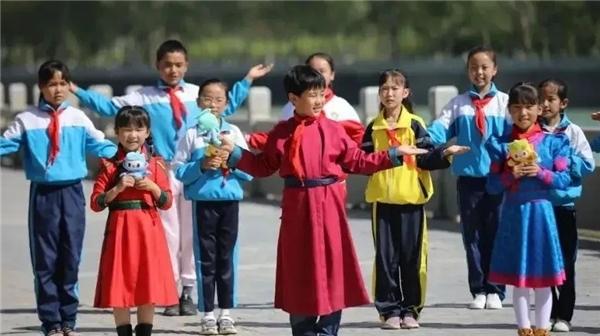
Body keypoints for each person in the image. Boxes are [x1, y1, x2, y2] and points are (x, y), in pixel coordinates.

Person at [218, 64, 428, 336]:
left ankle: (329, 329)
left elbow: (357, 161)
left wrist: (392, 154)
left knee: (331, 267)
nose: (319, 101)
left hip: (329, 206)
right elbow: (263, 166)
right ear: (294, 99)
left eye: (322, 94)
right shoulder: (281, 132)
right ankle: (303, 329)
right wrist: (235, 154)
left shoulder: (334, 130)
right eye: (312, 95)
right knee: (299, 267)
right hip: (297, 208)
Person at [69, 39, 272, 316]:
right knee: (167, 233)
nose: (172, 70)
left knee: (190, 234)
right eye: (167, 65)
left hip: (194, 170)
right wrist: (75, 89)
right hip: (160, 169)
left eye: (178, 65)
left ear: (186, 65)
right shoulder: (143, 97)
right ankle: (168, 291)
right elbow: (107, 108)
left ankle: (187, 290)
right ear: (158, 66)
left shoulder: (198, 95)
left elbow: (229, 102)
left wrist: (248, 78)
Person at [0, 60, 117, 336]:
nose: (58, 89)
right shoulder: (26, 120)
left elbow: (101, 143)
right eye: (52, 84)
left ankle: (68, 319)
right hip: (44, 195)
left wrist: (129, 151)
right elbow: (5, 144)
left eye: (63, 83)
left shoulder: (78, 118)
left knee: (70, 256)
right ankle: (51, 321)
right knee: (45, 259)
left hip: (72, 193)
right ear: (41, 87)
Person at [362, 69, 469, 330]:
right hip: (382, 203)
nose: (389, 93)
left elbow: (426, 156)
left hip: (411, 201)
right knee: (385, 260)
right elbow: (363, 161)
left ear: (405, 93)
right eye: (385, 89)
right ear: (379, 93)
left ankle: (411, 310)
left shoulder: (414, 124)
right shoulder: (373, 127)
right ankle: (389, 311)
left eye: (395, 88)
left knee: (413, 258)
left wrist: (445, 151)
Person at [486, 82, 572, 336]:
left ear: (539, 109)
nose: (523, 113)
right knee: (519, 276)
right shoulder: (500, 145)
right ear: (509, 111)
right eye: (517, 108)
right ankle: (523, 328)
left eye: (529, 107)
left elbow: (565, 179)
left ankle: (542, 329)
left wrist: (541, 173)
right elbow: (491, 186)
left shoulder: (554, 143)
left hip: (542, 215)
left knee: (544, 277)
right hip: (515, 214)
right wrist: (510, 175)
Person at [427, 46, 509, 310]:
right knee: (471, 235)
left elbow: (520, 134)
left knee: (496, 234)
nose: (480, 72)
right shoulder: (458, 104)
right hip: (468, 180)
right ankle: (479, 289)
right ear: (468, 71)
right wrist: (426, 141)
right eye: (474, 67)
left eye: (485, 67)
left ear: (495, 70)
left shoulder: (506, 103)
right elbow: (438, 129)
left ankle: (496, 288)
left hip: (498, 179)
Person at [172, 78, 254, 335]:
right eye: (207, 98)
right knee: (205, 259)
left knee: (226, 258)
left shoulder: (233, 133)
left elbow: (250, 171)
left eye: (219, 99)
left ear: (227, 104)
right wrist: (202, 166)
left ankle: (226, 312)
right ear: (198, 103)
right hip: (203, 204)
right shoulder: (192, 134)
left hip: (229, 202)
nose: (213, 104)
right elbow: (179, 170)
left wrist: (230, 161)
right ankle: (207, 313)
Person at [91, 106, 178, 336]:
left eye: (138, 129)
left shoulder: (156, 164)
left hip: (148, 230)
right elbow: (96, 203)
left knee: (147, 282)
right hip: (120, 229)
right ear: (117, 133)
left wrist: (153, 187)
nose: (133, 135)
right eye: (126, 130)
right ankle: (123, 332)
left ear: (147, 132)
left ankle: (145, 332)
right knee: (120, 281)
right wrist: (117, 188)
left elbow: (167, 201)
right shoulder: (109, 166)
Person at [538, 79, 595, 332]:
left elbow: (588, 163)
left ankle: (565, 315)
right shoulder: (532, 131)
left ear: (563, 103)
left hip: (563, 207)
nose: (545, 104)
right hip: (539, 206)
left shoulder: (572, 132)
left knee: (565, 263)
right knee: (543, 262)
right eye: (542, 99)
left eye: (551, 99)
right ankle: (548, 311)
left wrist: (566, 160)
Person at [247, 52, 364, 150]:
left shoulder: (342, 107)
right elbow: (277, 141)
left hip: (332, 176)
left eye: (322, 71)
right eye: (312, 72)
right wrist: (246, 139)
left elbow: (358, 143)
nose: (317, 76)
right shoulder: (290, 107)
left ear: (332, 74)